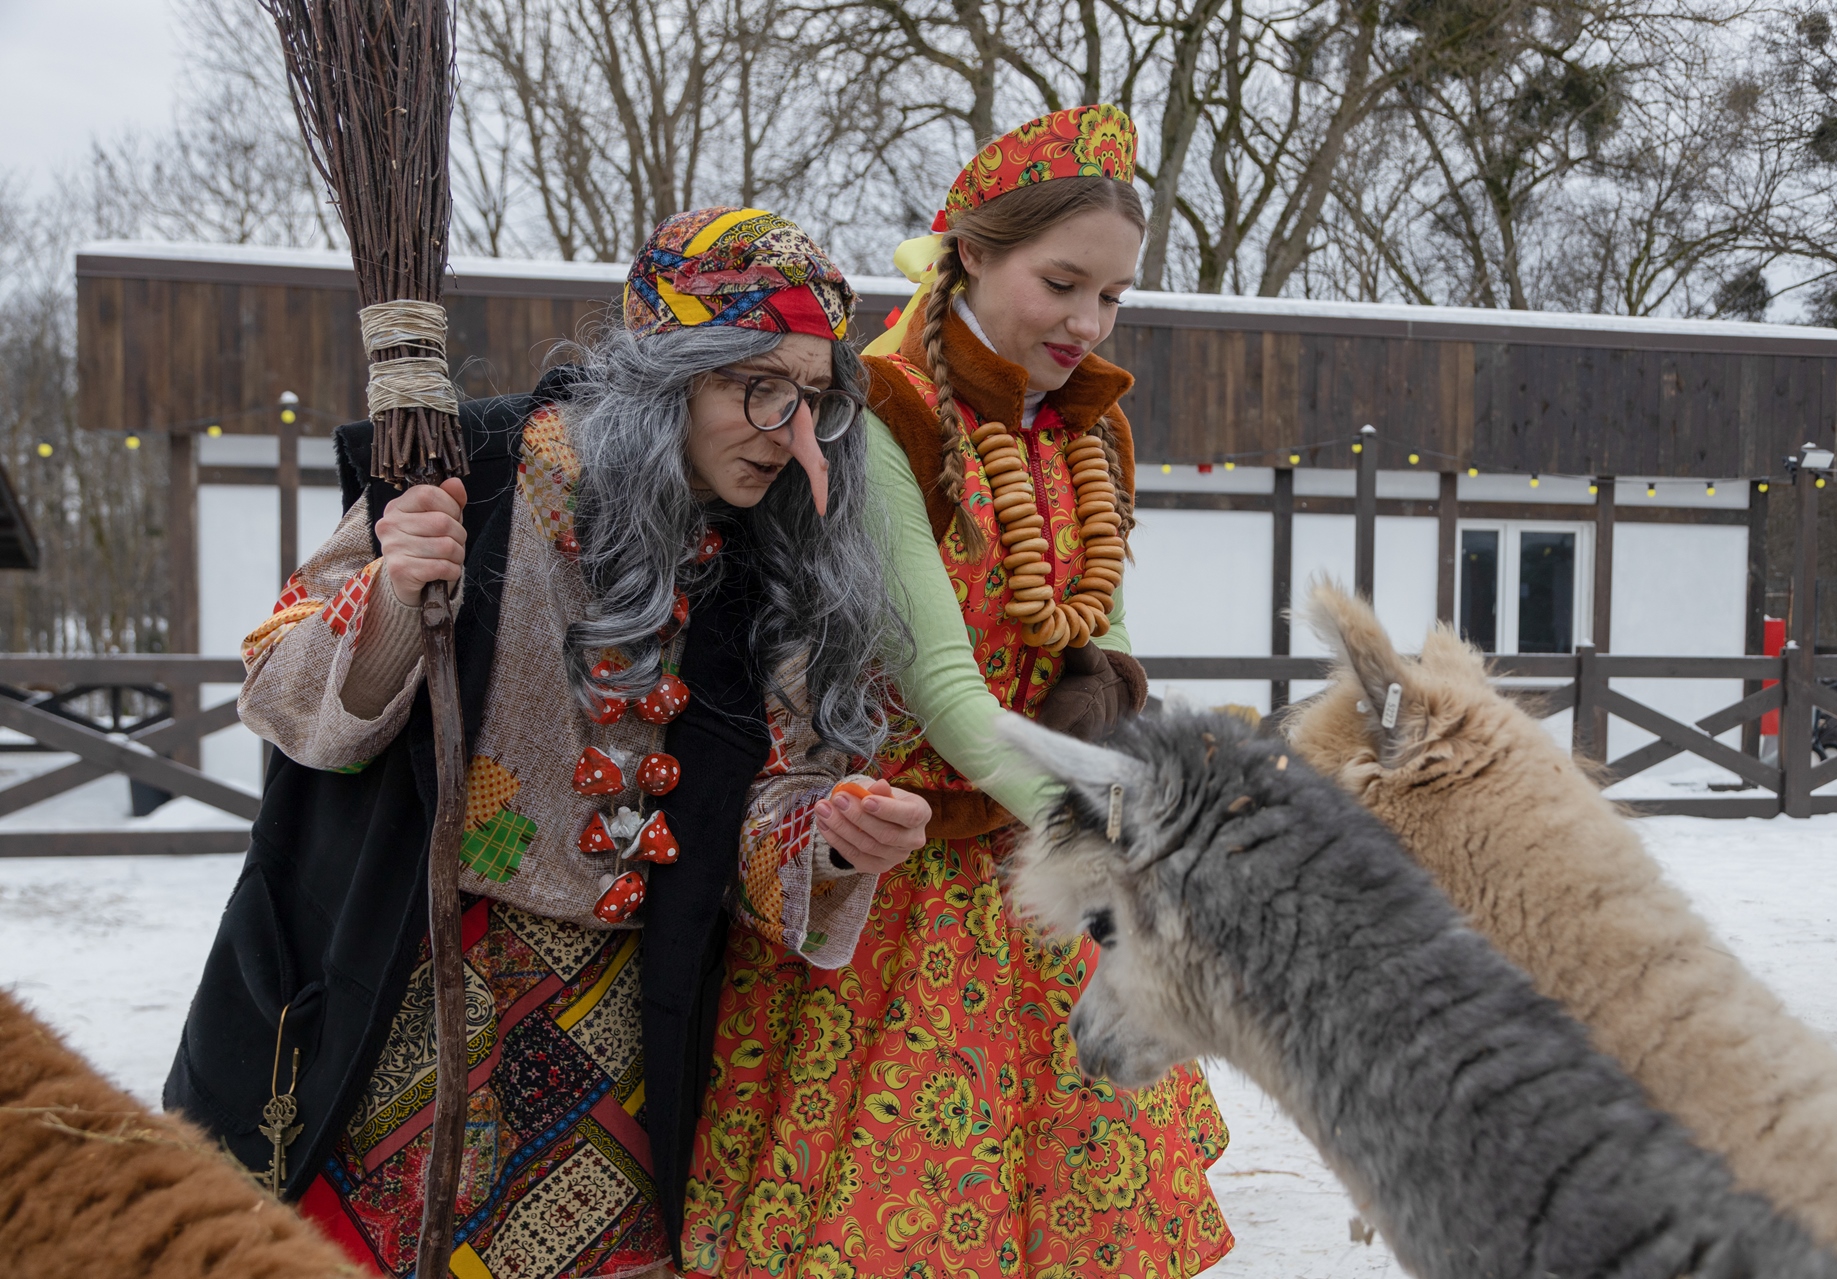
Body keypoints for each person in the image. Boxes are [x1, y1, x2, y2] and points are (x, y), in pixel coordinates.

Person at [164, 208, 933, 1279]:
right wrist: (390, 597)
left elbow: (757, 811)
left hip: (616, 1027)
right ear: (664, 374)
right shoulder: (461, 469)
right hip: (396, 989)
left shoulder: (767, 563)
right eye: (756, 385)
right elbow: (280, 689)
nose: (792, 430)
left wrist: (832, 834)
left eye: (812, 397)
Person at [681, 108, 1234, 1278]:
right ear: (972, 254)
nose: (1087, 323)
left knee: (1082, 1209)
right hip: (906, 868)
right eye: (1062, 283)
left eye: (1114, 297)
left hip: (1041, 861)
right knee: (903, 1221)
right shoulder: (885, 411)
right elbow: (942, 684)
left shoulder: (1085, 427)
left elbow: (1101, 640)